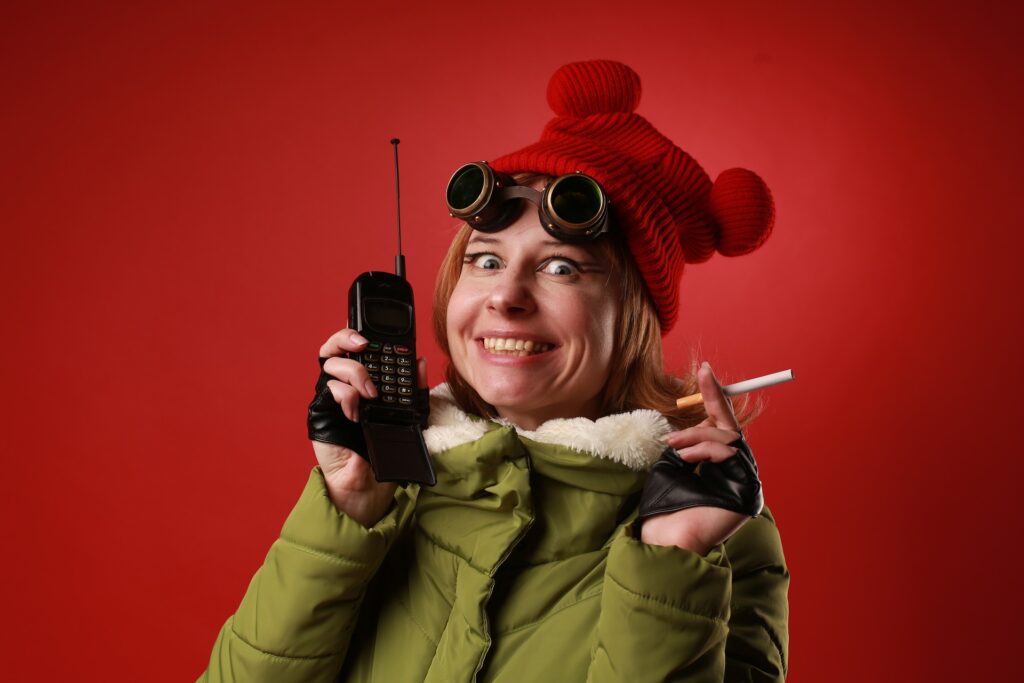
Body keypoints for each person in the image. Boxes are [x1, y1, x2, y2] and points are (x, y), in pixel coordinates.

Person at [200, 60, 789, 682]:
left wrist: (672, 562)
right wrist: (345, 517)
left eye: (561, 267)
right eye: (483, 260)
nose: (505, 297)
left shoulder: (721, 530)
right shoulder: (386, 485)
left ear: (633, 316)